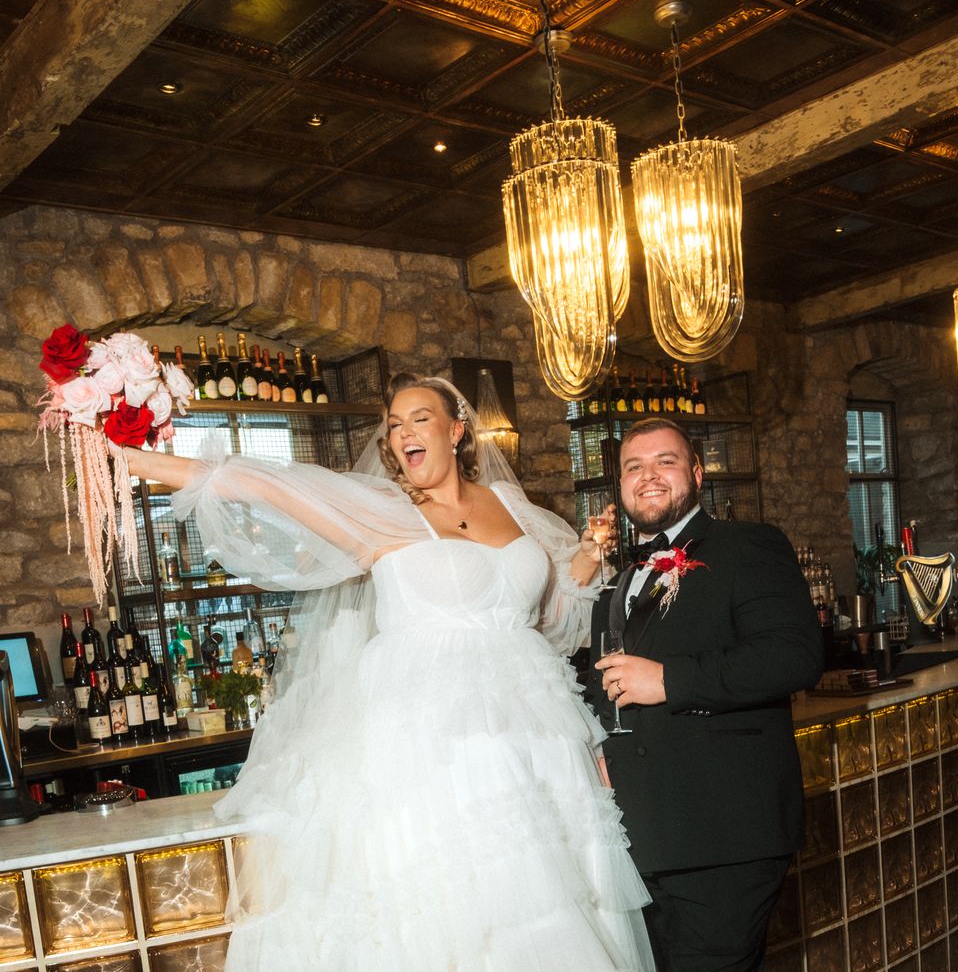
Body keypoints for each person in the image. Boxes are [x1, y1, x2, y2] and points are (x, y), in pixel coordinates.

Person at [121, 372, 655, 972]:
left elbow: (549, 620)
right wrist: (131, 458)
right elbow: (264, 485)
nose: (404, 433)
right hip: (433, 740)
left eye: (420, 419)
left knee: (563, 898)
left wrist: (585, 558)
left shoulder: (509, 504)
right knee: (467, 908)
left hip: (536, 731)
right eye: (395, 425)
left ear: (457, 430)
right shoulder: (382, 513)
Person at [588, 418, 823, 972]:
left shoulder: (748, 545)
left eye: (665, 462)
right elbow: (605, 682)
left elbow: (794, 656)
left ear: (697, 473)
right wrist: (600, 747)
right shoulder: (617, 581)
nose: (648, 476)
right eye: (634, 466)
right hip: (638, 841)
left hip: (724, 836)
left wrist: (669, 680)